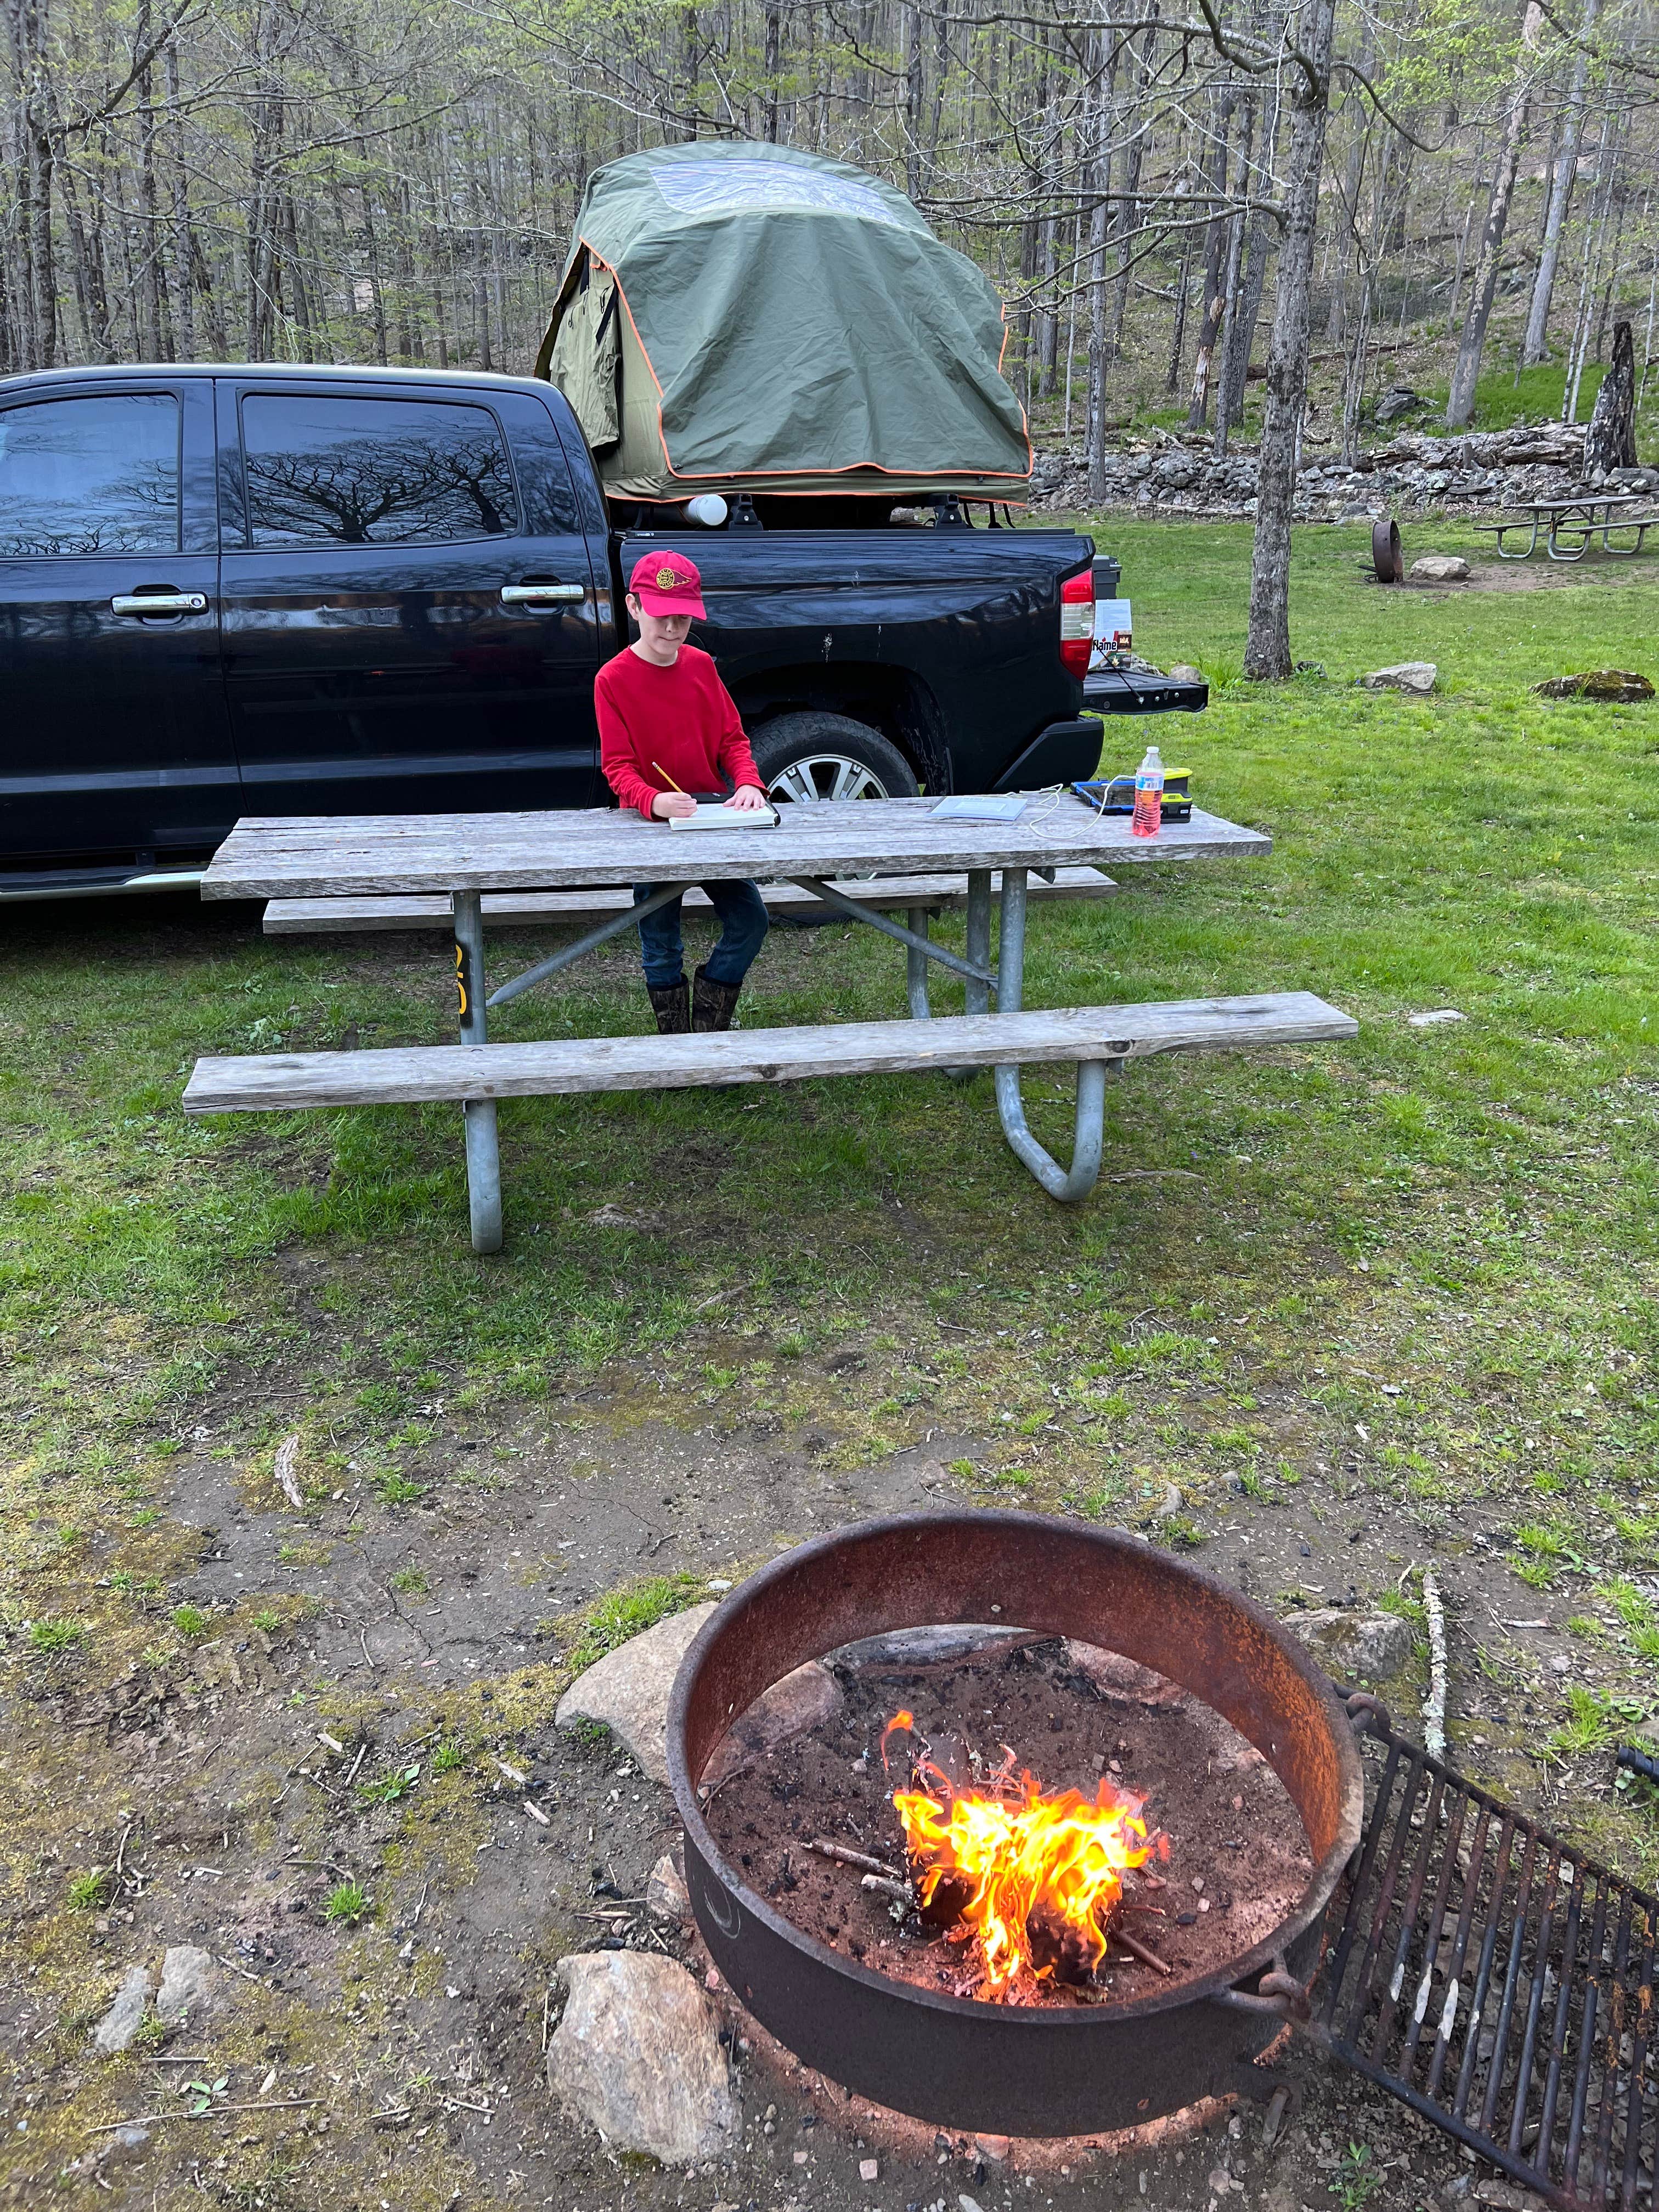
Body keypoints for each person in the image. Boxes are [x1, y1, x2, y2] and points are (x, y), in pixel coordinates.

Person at [595, 550, 771, 1035]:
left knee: (750, 919)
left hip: (711, 819)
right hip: (653, 827)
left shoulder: (701, 666)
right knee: (660, 938)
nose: (673, 628)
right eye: (662, 615)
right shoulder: (611, 680)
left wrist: (750, 782)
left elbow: (732, 740)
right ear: (634, 608)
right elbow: (618, 768)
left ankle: (708, 1029)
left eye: (684, 618)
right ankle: (675, 1042)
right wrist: (652, 800)